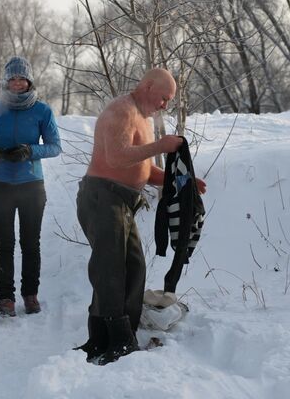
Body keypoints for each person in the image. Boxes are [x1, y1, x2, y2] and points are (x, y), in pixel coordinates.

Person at [75, 68, 206, 365]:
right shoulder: (120, 110)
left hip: (119, 201)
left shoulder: (142, 119)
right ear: (147, 86)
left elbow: (143, 171)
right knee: (111, 271)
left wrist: (183, 183)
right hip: (102, 197)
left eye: (169, 101)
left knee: (133, 269)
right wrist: (161, 146)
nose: (165, 105)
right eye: (164, 98)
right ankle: (113, 341)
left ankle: (109, 338)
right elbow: (116, 156)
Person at [0, 56, 62, 318]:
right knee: (3, 244)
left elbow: (55, 147)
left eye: (21, 78)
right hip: (1, 185)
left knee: (30, 244)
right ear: (6, 81)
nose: (16, 83)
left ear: (29, 81)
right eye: (12, 79)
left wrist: (30, 151)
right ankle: (5, 299)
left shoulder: (42, 111)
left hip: (31, 186)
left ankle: (30, 295)